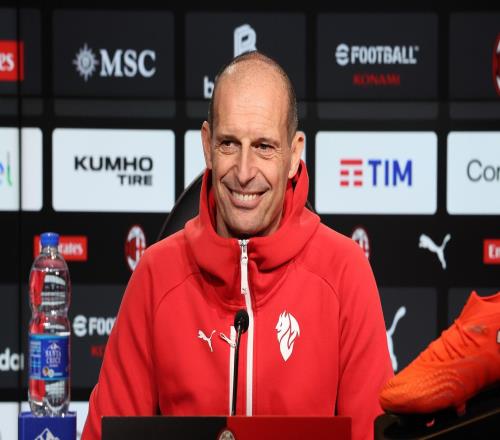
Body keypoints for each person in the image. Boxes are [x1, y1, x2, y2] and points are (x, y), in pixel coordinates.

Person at [82, 51, 392, 440]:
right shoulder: (156, 275)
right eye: (229, 143)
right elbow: (104, 434)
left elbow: (371, 433)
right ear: (207, 144)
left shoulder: (344, 273)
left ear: (294, 154)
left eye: (264, 146)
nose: (244, 172)